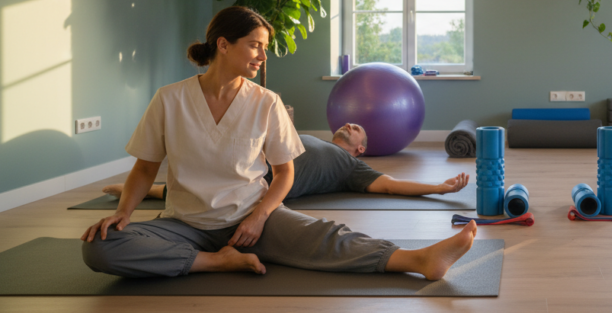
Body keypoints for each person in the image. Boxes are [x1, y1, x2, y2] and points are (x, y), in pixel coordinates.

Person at [81, 6, 476, 280]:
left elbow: (285, 174)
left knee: (327, 236)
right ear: (223, 44)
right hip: (184, 224)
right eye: (254, 45)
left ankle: (419, 259)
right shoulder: (170, 99)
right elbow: (145, 167)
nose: (261, 56)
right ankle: (215, 263)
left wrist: (259, 216)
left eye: (264, 48)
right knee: (100, 246)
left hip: (252, 219)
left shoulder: (265, 102)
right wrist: (124, 213)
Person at [101, 126, 470, 202]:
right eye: (349, 123)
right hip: (252, 161)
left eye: (357, 131)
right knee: (202, 178)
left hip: (261, 185)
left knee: (218, 190)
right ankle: (144, 189)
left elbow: (390, 185)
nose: (350, 125)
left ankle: (147, 191)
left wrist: (439, 187)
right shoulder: (312, 138)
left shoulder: (350, 166)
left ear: (359, 150)